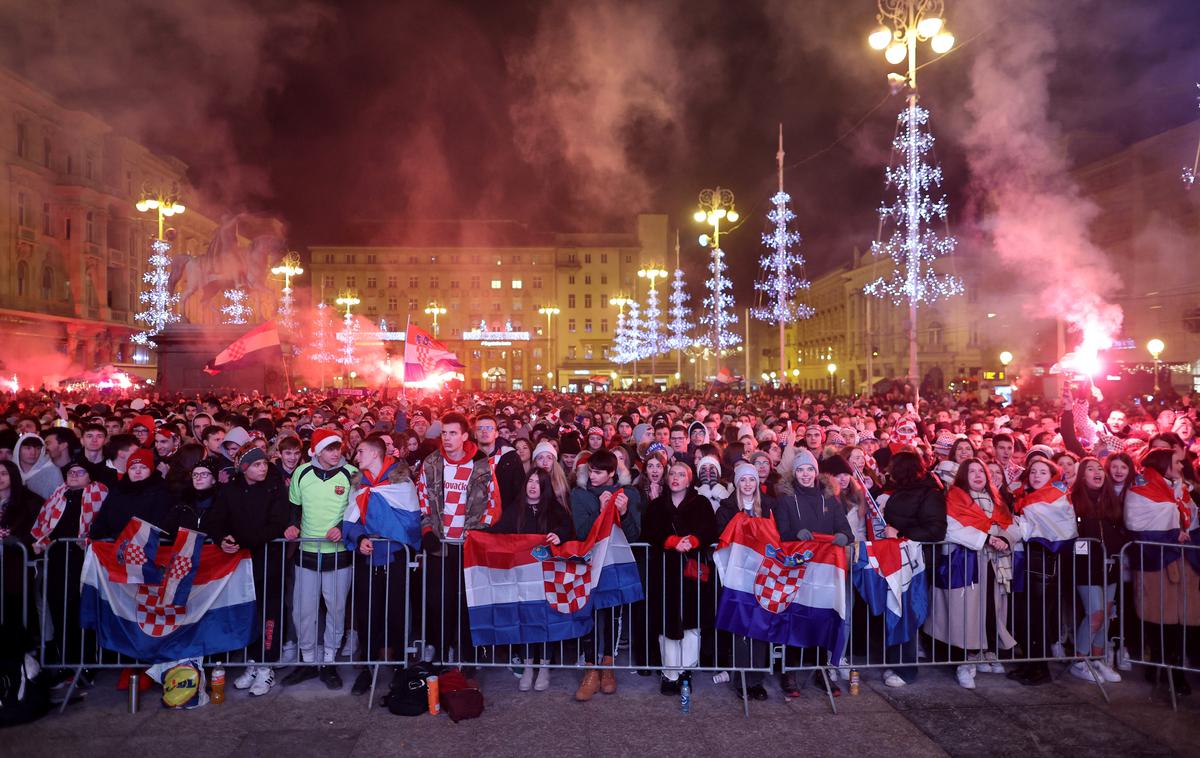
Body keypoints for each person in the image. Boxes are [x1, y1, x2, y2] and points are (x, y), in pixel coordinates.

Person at [926, 459, 1019, 690]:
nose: (977, 475)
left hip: (993, 560)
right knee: (966, 611)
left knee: (991, 607)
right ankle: (965, 661)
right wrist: (986, 538)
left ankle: (986, 650)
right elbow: (951, 527)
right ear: (963, 476)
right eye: (972, 471)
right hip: (966, 561)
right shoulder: (954, 498)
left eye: (981, 471)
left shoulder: (996, 499)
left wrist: (1004, 539)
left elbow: (1009, 523)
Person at [416, 412, 501, 664]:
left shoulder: (482, 464)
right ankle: (440, 653)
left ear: (465, 436)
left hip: (468, 547)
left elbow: (493, 504)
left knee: (467, 603)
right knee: (438, 602)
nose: (448, 438)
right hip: (439, 547)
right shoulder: (430, 463)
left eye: (453, 433)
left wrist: (478, 534)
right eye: (444, 433)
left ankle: (467, 655)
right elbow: (422, 501)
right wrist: (427, 530)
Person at [211, 445, 292, 697]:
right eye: (257, 464)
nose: (263, 467)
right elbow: (216, 519)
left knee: (270, 613)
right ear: (245, 468)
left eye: (265, 463)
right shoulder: (229, 490)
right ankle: (252, 663)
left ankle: (267, 665)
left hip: (268, 561)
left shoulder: (275, 488)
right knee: (248, 612)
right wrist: (221, 538)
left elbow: (277, 525)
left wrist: (243, 540)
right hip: (240, 564)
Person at [773, 448, 853, 695]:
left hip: (823, 572)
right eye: (800, 470)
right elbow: (780, 533)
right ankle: (789, 672)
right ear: (794, 473)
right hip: (796, 570)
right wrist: (795, 536)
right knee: (793, 619)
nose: (805, 474)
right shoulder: (786, 500)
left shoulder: (830, 499)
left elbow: (846, 531)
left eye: (809, 469)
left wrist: (842, 536)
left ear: (816, 472)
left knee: (822, 618)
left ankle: (821, 670)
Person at [282, 430, 358, 689]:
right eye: (329, 448)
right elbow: (294, 507)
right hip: (306, 554)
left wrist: (342, 527)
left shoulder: (351, 473)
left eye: (338, 447)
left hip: (339, 556)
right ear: (316, 451)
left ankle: (328, 662)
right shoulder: (301, 473)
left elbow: (357, 508)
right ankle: (308, 661)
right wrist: (292, 526)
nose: (336, 452)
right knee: (303, 611)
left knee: (336, 610)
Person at [341, 435, 416, 696]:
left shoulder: (401, 483)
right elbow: (351, 518)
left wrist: (384, 535)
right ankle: (367, 667)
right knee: (366, 612)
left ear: (375, 454)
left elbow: (409, 520)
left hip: (394, 559)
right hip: (367, 559)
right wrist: (360, 537)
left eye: (360, 452)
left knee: (395, 611)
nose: (356, 457)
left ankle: (398, 667)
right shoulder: (359, 484)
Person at [569, 448, 641, 701]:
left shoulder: (628, 493)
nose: (592, 476)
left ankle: (608, 665)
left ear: (612, 473)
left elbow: (634, 535)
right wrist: (601, 514)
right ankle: (590, 669)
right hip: (588, 563)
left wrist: (622, 513)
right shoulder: (579, 495)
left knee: (613, 614)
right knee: (587, 612)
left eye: (598, 472)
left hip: (615, 564)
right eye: (590, 471)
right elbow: (581, 533)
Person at [493, 469, 575, 692]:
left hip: (547, 576)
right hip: (522, 577)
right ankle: (528, 666)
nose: (533, 486)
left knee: (546, 620)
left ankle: (545, 667)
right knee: (527, 620)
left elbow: (568, 528)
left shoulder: (554, 508)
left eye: (538, 483)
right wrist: (477, 535)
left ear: (545, 486)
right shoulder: (515, 509)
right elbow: (499, 532)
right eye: (530, 481)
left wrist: (559, 535)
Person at [642, 461, 718, 695]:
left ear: (689, 479)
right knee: (667, 622)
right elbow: (648, 531)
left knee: (691, 623)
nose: (675, 478)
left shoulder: (701, 503)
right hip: (664, 572)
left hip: (692, 571)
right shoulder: (656, 506)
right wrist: (671, 541)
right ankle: (669, 672)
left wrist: (693, 540)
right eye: (672, 474)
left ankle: (686, 670)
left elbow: (710, 529)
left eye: (681, 474)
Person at [875, 450, 946, 688]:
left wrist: (902, 535)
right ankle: (896, 662)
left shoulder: (929, 493)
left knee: (908, 615)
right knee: (896, 613)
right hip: (898, 560)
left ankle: (906, 669)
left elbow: (936, 530)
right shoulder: (905, 492)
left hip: (916, 563)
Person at [30, 459, 108, 667]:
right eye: (70, 472)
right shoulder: (59, 495)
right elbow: (46, 526)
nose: (73, 475)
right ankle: (66, 661)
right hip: (57, 560)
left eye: (80, 472)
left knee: (81, 610)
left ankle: (86, 662)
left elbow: (101, 524)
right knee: (59, 608)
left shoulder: (98, 493)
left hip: (84, 560)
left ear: (90, 476)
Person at [1007, 457, 1077, 686]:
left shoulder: (1055, 499)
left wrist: (1020, 524)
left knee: (1039, 619)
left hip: (1045, 568)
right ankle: (1030, 664)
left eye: (1043, 472)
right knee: (1026, 618)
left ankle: (1041, 668)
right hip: (1030, 564)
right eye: (1034, 471)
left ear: (1052, 476)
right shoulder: (1029, 498)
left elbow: (1054, 530)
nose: (1037, 475)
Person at [1068, 456, 1127, 684]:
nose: (1097, 472)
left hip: (1110, 565)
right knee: (1095, 614)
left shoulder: (1112, 500)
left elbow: (1122, 529)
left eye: (1099, 468)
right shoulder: (1073, 500)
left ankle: (1097, 659)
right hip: (1086, 567)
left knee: (1108, 614)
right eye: (1090, 469)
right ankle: (1079, 661)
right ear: (1082, 475)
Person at [715, 461, 772, 701]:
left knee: (759, 626)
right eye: (743, 480)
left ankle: (756, 679)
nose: (748, 484)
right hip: (736, 576)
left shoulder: (768, 508)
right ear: (736, 483)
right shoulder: (726, 509)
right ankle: (741, 680)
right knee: (740, 629)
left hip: (760, 574)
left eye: (752, 480)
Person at [88, 449, 170, 541]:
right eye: (133, 468)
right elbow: (102, 519)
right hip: (114, 547)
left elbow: (160, 523)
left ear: (150, 470)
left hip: (146, 548)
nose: (137, 471)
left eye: (143, 467)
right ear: (128, 471)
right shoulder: (117, 491)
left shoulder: (161, 492)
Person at [14, 433, 62, 500]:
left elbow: (60, 499)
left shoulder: (52, 471)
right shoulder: (11, 471)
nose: (33, 453)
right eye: (28, 448)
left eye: (38, 448)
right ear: (18, 450)